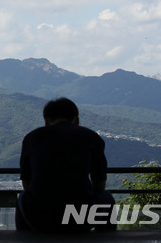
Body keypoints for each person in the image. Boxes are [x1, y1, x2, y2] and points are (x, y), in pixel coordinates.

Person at [15, 97, 116, 233]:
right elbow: (100, 186)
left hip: (40, 219)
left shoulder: (31, 138)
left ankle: (25, 238)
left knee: (22, 196)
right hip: (81, 218)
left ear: (46, 121)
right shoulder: (91, 137)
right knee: (107, 197)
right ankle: (107, 238)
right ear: (77, 120)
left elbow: (26, 186)